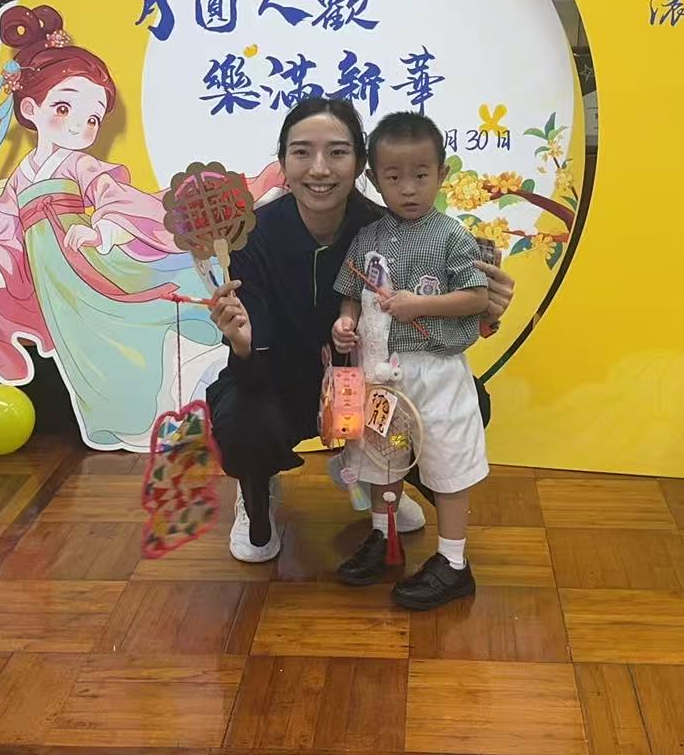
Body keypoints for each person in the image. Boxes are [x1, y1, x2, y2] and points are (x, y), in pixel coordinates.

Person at [0, 4, 282, 450]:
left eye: (92, 118)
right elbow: (4, 230)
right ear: (30, 107)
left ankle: (186, 396)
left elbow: (113, 196)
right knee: (86, 351)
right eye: (63, 107)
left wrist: (103, 231)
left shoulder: (79, 165)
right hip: (57, 285)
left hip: (94, 266)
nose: (80, 126)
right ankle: (136, 419)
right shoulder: (21, 177)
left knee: (135, 326)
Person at [204, 97, 514, 568]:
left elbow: (441, 309)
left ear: (361, 164)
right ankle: (257, 492)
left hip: (366, 386)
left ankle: (377, 484)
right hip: (278, 384)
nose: (320, 168)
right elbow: (252, 354)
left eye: (338, 152)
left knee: (467, 398)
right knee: (245, 421)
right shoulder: (250, 237)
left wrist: (489, 311)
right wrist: (243, 345)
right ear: (283, 160)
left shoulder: (387, 229)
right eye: (302, 151)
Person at [331, 111, 489, 609]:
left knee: (447, 459)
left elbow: (476, 296)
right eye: (394, 177)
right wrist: (346, 321)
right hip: (380, 373)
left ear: (442, 174)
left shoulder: (452, 235)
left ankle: (454, 562)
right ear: (374, 179)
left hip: (436, 371)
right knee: (382, 457)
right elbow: (351, 290)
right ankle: (384, 537)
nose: (408, 189)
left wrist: (418, 304)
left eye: (421, 175)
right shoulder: (369, 237)